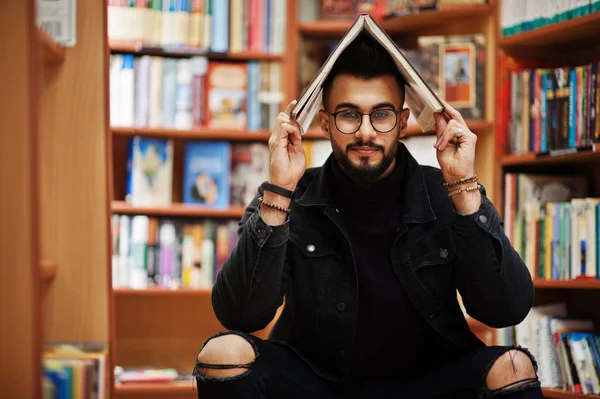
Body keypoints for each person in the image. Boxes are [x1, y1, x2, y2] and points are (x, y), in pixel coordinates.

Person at [192, 34, 541, 399]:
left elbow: (506, 309)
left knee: (514, 367)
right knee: (222, 354)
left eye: (381, 115)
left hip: (429, 380)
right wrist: (279, 188)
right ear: (325, 123)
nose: (365, 132)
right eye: (348, 114)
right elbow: (241, 315)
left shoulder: (446, 191)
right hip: (318, 382)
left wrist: (464, 187)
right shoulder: (288, 196)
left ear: (402, 122)